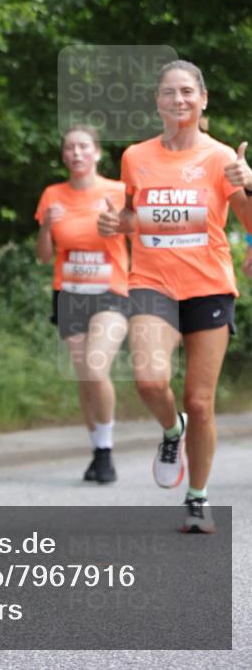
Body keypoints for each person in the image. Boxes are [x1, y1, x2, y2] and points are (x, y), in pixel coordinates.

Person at [98, 60, 252, 533]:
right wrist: (115, 224)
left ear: (203, 99)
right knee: (148, 381)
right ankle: (171, 430)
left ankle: (198, 498)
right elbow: (133, 215)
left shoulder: (222, 158)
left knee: (201, 401)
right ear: (157, 102)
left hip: (208, 286)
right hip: (151, 282)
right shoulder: (134, 156)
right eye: (169, 92)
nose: (179, 99)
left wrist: (248, 182)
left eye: (188, 91)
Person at [36, 126, 129, 484]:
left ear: (98, 153)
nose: (76, 153)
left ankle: (105, 450)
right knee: (85, 379)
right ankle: (98, 449)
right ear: (64, 155)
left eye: (83, 147)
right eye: (70, 147)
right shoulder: (52, 195)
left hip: (111, 291)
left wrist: (118, 224)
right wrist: (45, 227)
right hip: (69, 293)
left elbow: (136, 231)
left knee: (95, 368)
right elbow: (44, 256)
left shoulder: (118, 192)